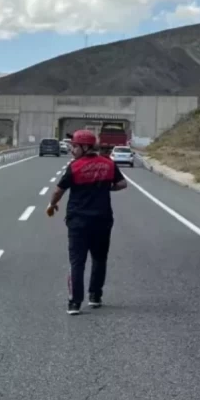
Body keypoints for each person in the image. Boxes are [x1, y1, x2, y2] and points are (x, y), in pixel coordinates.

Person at [46, 129, 127, 315]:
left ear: (85, 147)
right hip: (103, 219)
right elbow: (122, 184)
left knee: (77, 261)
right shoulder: (108, 164)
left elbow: (59, 190)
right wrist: (106, 188)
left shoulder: (75, 167)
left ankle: (75, 303)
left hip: (78, 221)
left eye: (74, 146)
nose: (72, 149)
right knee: (99, 258)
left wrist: (52, 205)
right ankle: (95, 296)